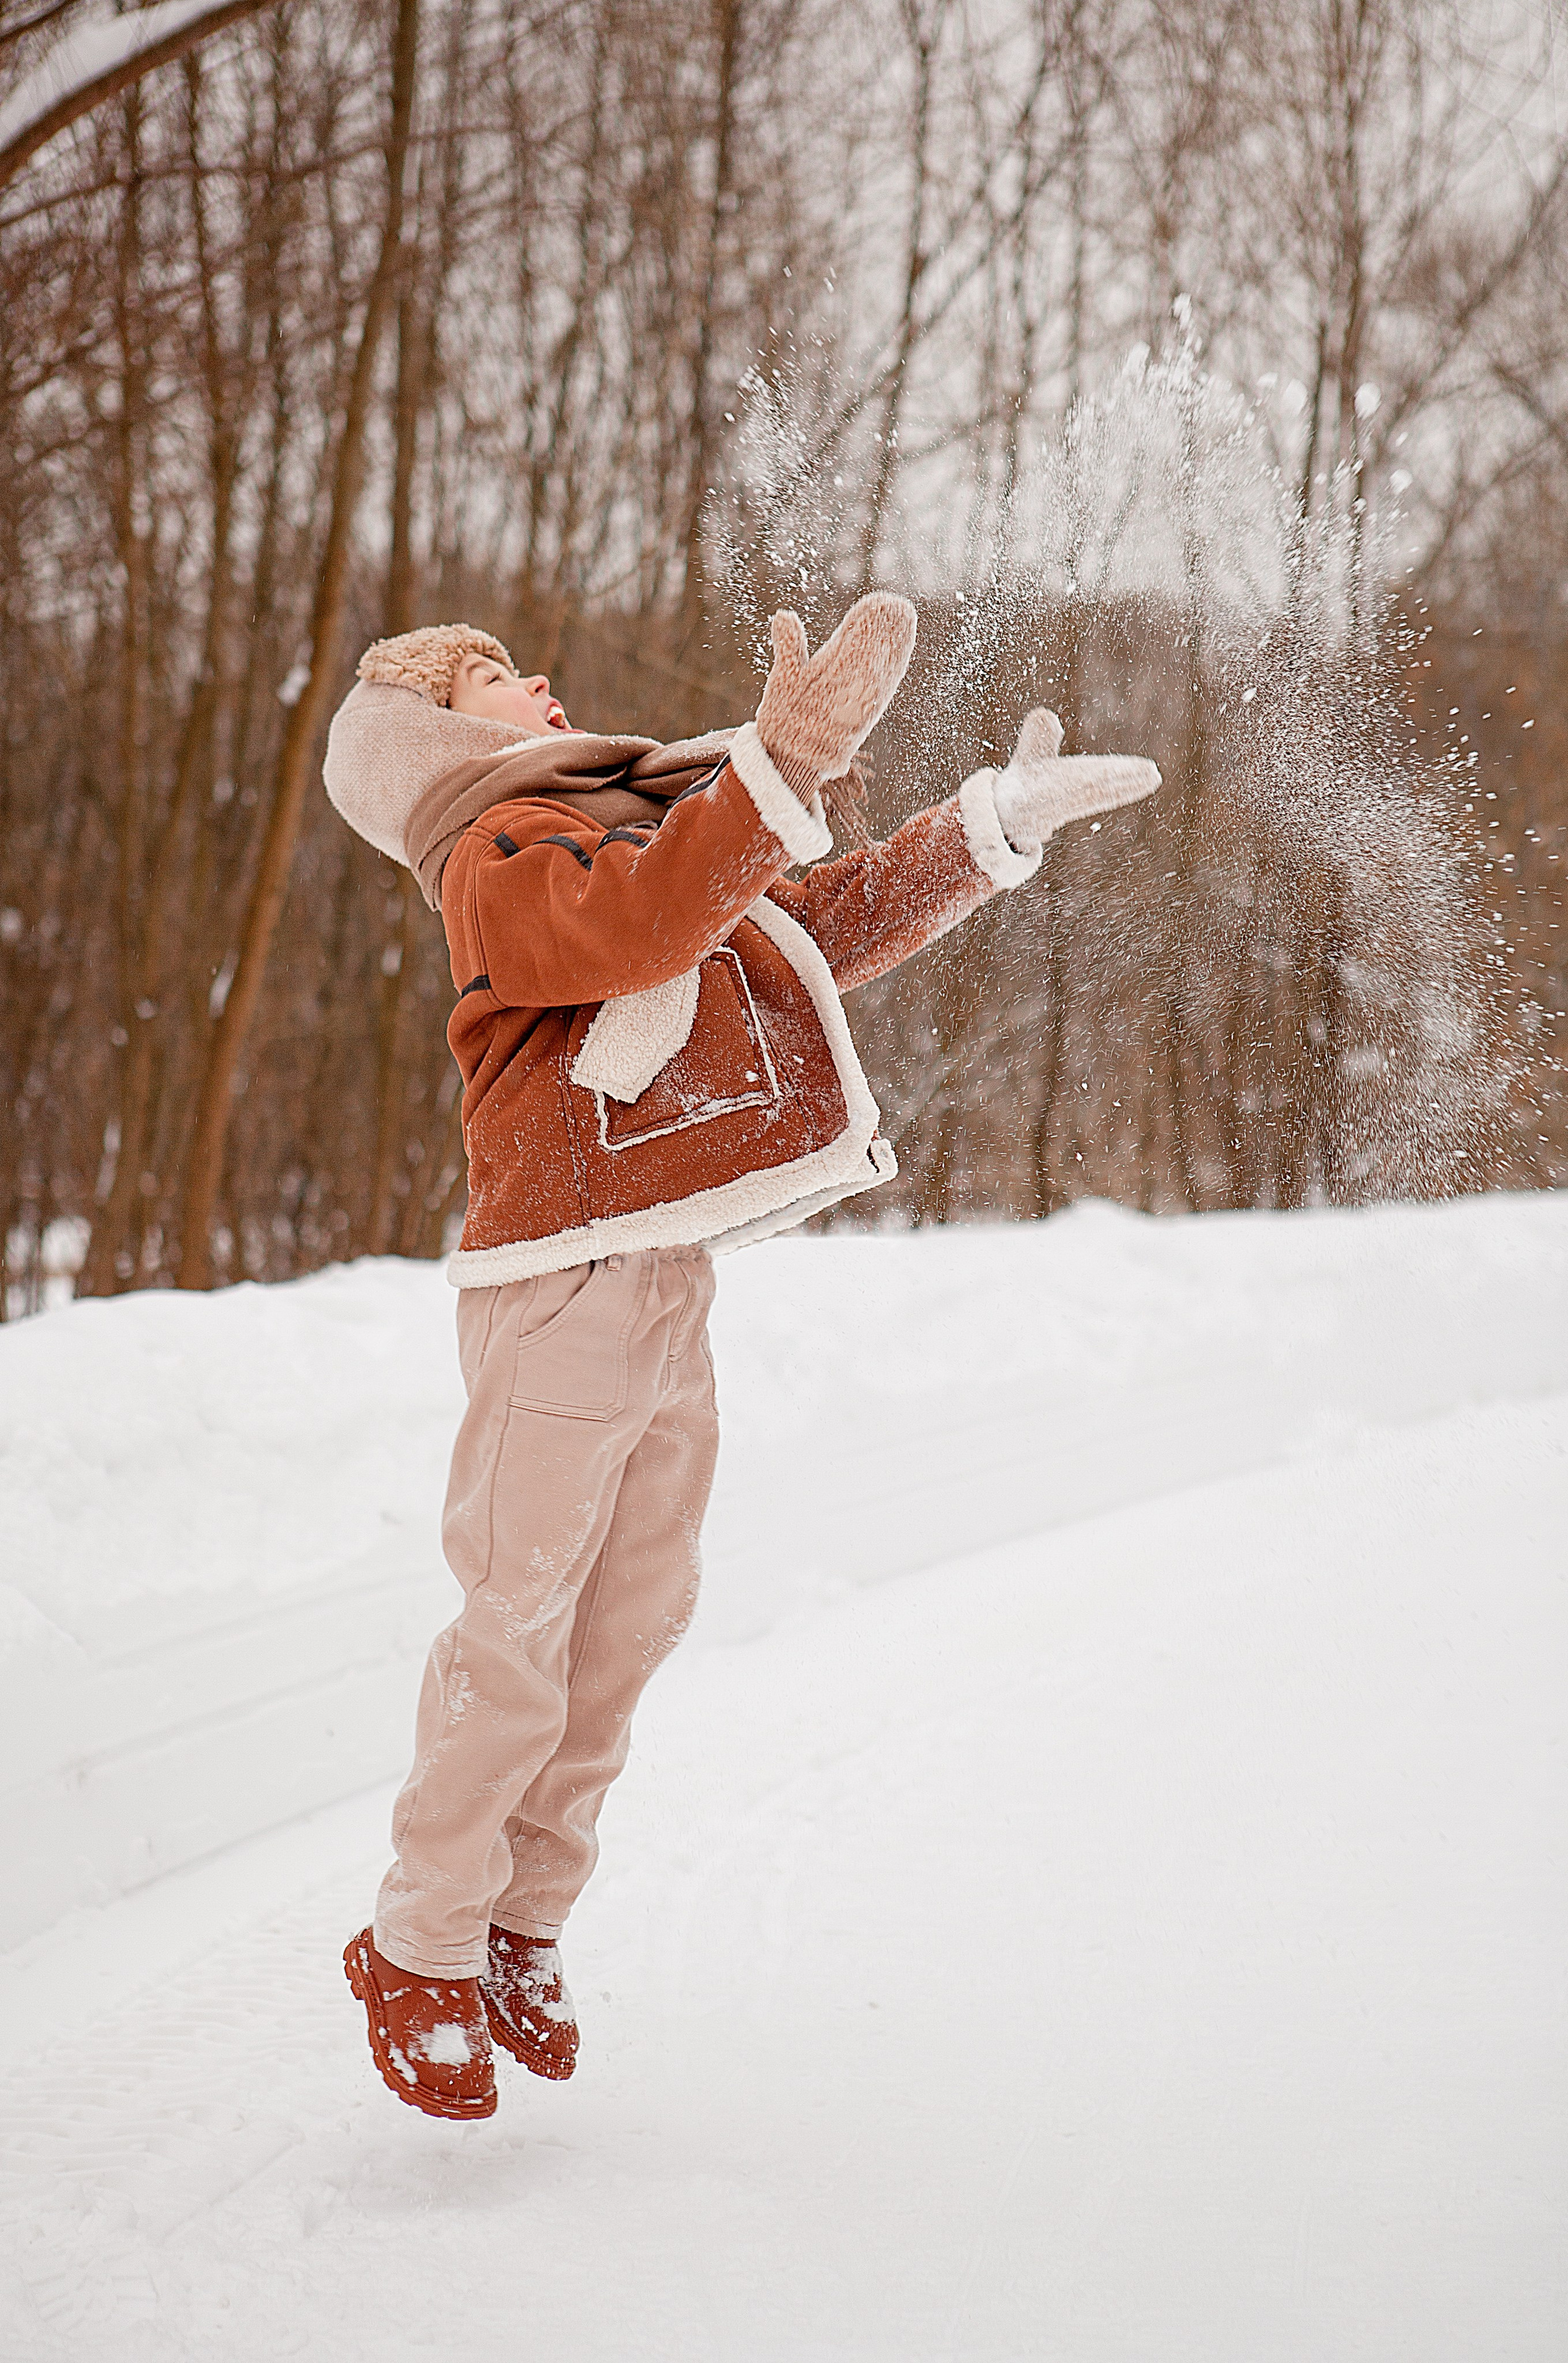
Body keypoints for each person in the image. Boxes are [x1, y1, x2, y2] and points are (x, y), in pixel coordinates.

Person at [321, 594, 1158, 2120]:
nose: (538, 678)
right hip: (557, 1275)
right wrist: (777, 764)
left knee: (630, 1615)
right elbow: (640, 925)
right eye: (495, 675)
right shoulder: (496, 854)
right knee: (518, 1621)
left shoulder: (631, 834)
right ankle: (420, 1936)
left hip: (658, 1267)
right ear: (436, 728)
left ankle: (521, 1918)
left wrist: (981, 832)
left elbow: (800, 934)